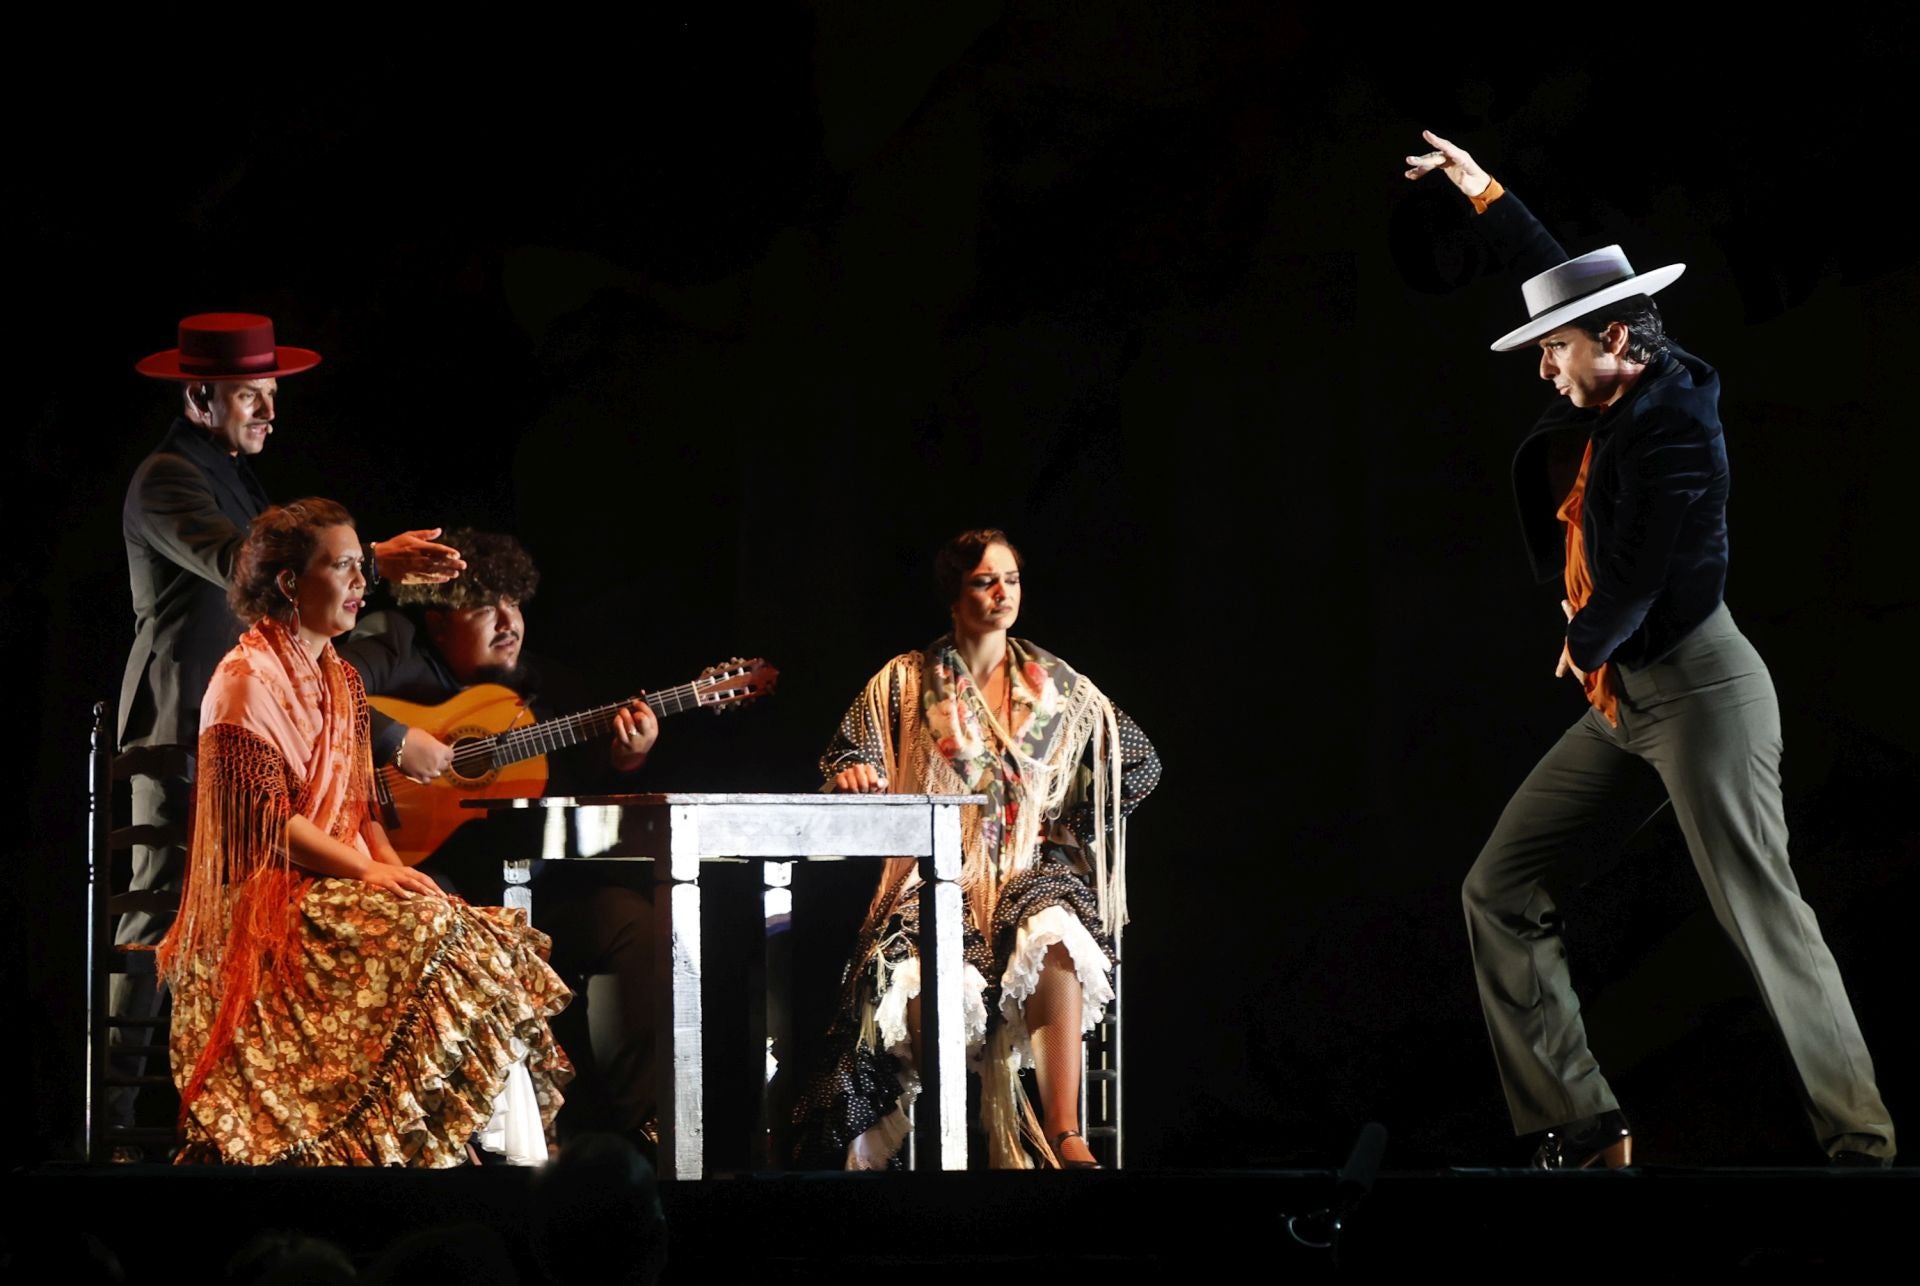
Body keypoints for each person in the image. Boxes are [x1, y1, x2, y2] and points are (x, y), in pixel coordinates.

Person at [1404, 131, 1896, 1167]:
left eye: (1558, 350)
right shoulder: (1616, 373)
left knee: (1763, 914)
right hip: (1629, 700)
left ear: (1617, 341)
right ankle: (1584, 1125)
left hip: (1704, 690)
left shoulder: (1677, 426)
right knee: (1498, 889)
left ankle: (1859, 1139)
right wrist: (1482, 192)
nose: (1546, 364)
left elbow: (1644, 568)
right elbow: (1556, 270)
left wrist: (1585, 639)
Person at [112, 313, 464, 1138]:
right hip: (182, 726)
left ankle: (278, 1111)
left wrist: (381, 742)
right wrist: (368, 558)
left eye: (273, 395)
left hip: (259, 729)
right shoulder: (166, 478)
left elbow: (309, 667)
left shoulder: (238, 477)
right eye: (252, 396)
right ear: (200, 394)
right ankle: (116, 1130)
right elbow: (254, 570)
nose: (271, 412)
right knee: (155, 922)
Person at [157, 499, 571, 1165]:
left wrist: (392, 868)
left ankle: (476, 1152)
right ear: (291, 583)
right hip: (269, 895)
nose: (360, 583)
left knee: (469, 923)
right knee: (439, 936)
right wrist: (371, 873)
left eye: (361, 568)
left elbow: (360, 808)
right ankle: (393, 1147)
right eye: (344, 567)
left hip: (336, 881)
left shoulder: (343, 680)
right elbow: (265, 827)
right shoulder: (245, 680)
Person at [791, 529, 1161, 1170]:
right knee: (929, 974)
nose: (1001, 593)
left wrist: (1063, 827)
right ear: (954, 595)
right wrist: (857, 772)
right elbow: (850, 753)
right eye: (984, 581)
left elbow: (1137, 762)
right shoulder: (905, 681)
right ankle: (948, 1139)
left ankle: (1063, 1133)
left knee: (1055, 932)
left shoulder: (1059, 687)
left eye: (1011, 579)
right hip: (933, 877)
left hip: (1022, 873)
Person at [336, 529, 659, 1149]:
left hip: (535, 897)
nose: (507, 621)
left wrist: (626, 760)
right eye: (484, 606)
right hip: (429, 880)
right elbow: (323, 690)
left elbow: (585, 786)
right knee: (452, 936)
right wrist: (400, 740)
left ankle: (637, 1131)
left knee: (636, 924)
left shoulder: (549, 687)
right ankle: (475, 1139)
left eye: (514, 603)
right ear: (437, 622)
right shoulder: (392, 645)